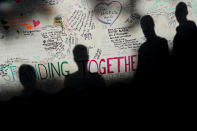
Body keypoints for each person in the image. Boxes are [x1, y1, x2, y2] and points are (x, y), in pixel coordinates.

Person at [135, 15, 170, 91]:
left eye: (146, 25)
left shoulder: (143, 48)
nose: (145, 29)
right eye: (143, 26)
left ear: (152, 25)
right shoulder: (162, 42)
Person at [173, 2, 197, 91]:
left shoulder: (193, 29)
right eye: (177, 12)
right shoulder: (176, 37)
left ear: (186, 12)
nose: (178, 14)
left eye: (180, 11)